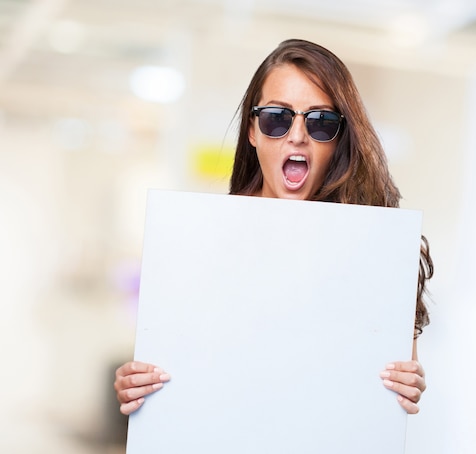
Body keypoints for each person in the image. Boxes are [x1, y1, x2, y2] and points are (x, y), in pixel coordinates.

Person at [114, 38, 434, 417]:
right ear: (253, 131)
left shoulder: (376, 253)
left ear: (340, 139)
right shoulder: (197, 241)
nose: (296, 135)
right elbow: (173, 366)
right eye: (277, 118)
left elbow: (392, 381)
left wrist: (407, 384)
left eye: (321, 122)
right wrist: (135, 384)